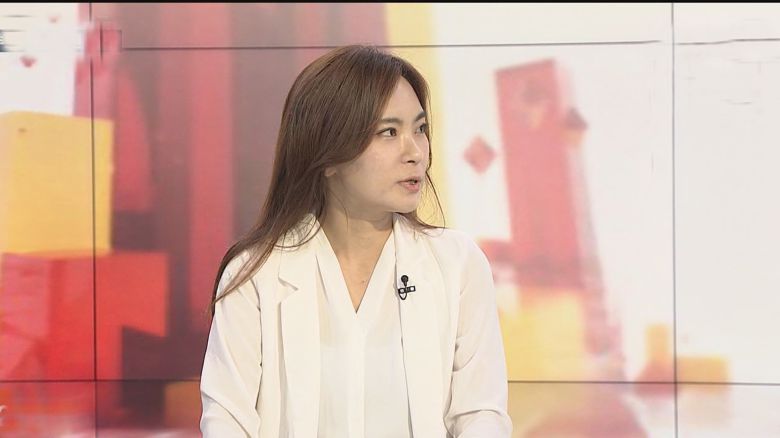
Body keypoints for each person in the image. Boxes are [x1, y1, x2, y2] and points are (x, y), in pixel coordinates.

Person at [199, 45, 512, 438]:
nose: (415, 152)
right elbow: (226, 421)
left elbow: (481, 414)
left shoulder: (457, 263)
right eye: (389, 132)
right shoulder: (255, 275)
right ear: (328, 153)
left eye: (419, 129)